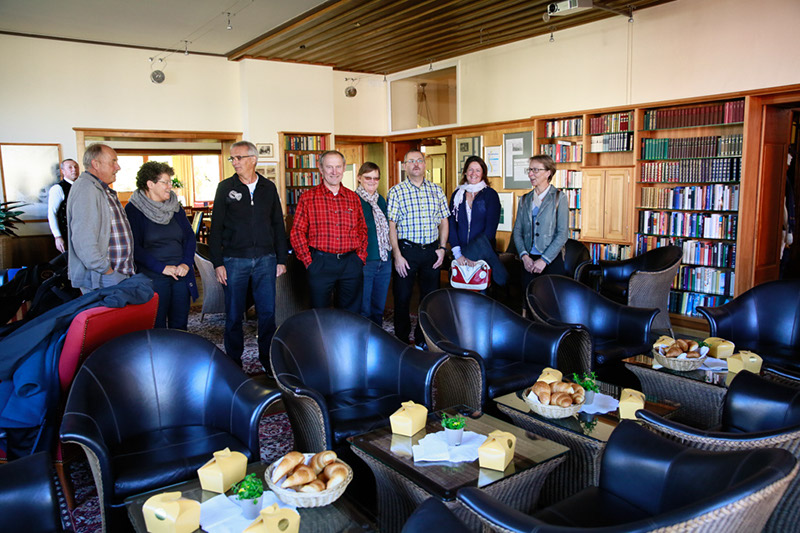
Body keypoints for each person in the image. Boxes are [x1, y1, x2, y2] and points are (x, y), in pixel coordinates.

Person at [209, 141, 287, 368]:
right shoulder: (225, 187)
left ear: (253, 159)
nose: (234, 162)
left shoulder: (268, 188)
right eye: (232, 158)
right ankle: (234, 362)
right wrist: (217, 263)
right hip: (234, 260)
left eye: (239, 158)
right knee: (234, 314)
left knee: (267, 313)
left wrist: (281, 259)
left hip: (266, 259)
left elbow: (277, 225)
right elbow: (216, 228)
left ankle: (268, 361)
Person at [290, 150, 368, 314]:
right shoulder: (308, 198)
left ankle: (347, 334)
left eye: (338, 167)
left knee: (351, 314)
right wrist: (309, 262)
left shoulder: (353, 198)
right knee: (320, 314)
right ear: (321, 169)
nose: (334, 171)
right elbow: (297, 232)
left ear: (344, 168)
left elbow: (362, 230)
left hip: (350, 263)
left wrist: (359, 258)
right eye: (329, 167)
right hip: (320, 262)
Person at [125, 161, 197, 330]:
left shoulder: (175, 207)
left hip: (181, 273)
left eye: (170, 182)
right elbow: (134, 247)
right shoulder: (133, 210)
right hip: (153, 276)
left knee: (180, 325)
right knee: (156, 326)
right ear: (150, 184)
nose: (170, 186)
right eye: (165, 182)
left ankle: (178, 348)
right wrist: (162, 268)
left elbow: (189, 237)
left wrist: (186, 263)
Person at [387, 150, 449, 345]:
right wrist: (397, 255)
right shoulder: (396, 191)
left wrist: (442, 248)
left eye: (419, 161)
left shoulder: (436, 190)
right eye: (411, 161)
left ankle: (424, 339)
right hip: (406, 251)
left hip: (432, 251)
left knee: (429, 298)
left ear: (425, 164)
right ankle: (402, 339)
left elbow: (444, 221)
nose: (416, 164)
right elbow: (391, 226)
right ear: (405, 166)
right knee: (402, 296)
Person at [67, 143, 135, 293]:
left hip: (114, 274)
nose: (118, 167)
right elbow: (83, 239)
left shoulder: (101, 188)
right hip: (102, 277)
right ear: (95, 164)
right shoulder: (86, 189)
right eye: (113, 162)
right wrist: (106, 270)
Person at [512, 154, 569, 292]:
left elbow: (562, 234)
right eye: (530, 170)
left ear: (548, 173)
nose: (530, 174)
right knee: (528, 298)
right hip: (528, 262)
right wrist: (524, 256)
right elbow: (517, 231)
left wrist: (544, 260)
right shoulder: (524, 199)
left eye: (536, 170)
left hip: (551, 260)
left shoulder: (559, 198)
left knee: (550, 300)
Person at [448, 155, 508, 286]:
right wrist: (458, 253)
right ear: (465, 172)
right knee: (459, 289)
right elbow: (451, 224)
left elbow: (490, 229)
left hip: (482, 254)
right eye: (470, 169)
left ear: (483, 174)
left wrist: (474, 254)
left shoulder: (490, 194)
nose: (473, 173)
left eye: (477, 170)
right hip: (459, 255)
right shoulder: (457, 194)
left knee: (480, 291)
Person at [355, 162, 391, 325]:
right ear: (359, 178)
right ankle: (363, 337)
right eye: (368, 177)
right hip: (365, 262)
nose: (372, 181)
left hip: (384, 260)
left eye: (376, 178)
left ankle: (377, 335)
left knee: (378, 307)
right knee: (363, 308)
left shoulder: (380, 200)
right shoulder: (353, 200)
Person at [47, 159, 79, 253]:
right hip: (67, 235)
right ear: (63, 171)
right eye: (70, 167)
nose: (74, 169)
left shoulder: (83, 187)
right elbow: (52, 213)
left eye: (76, 167)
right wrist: (58, 236)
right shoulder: (57, 189)